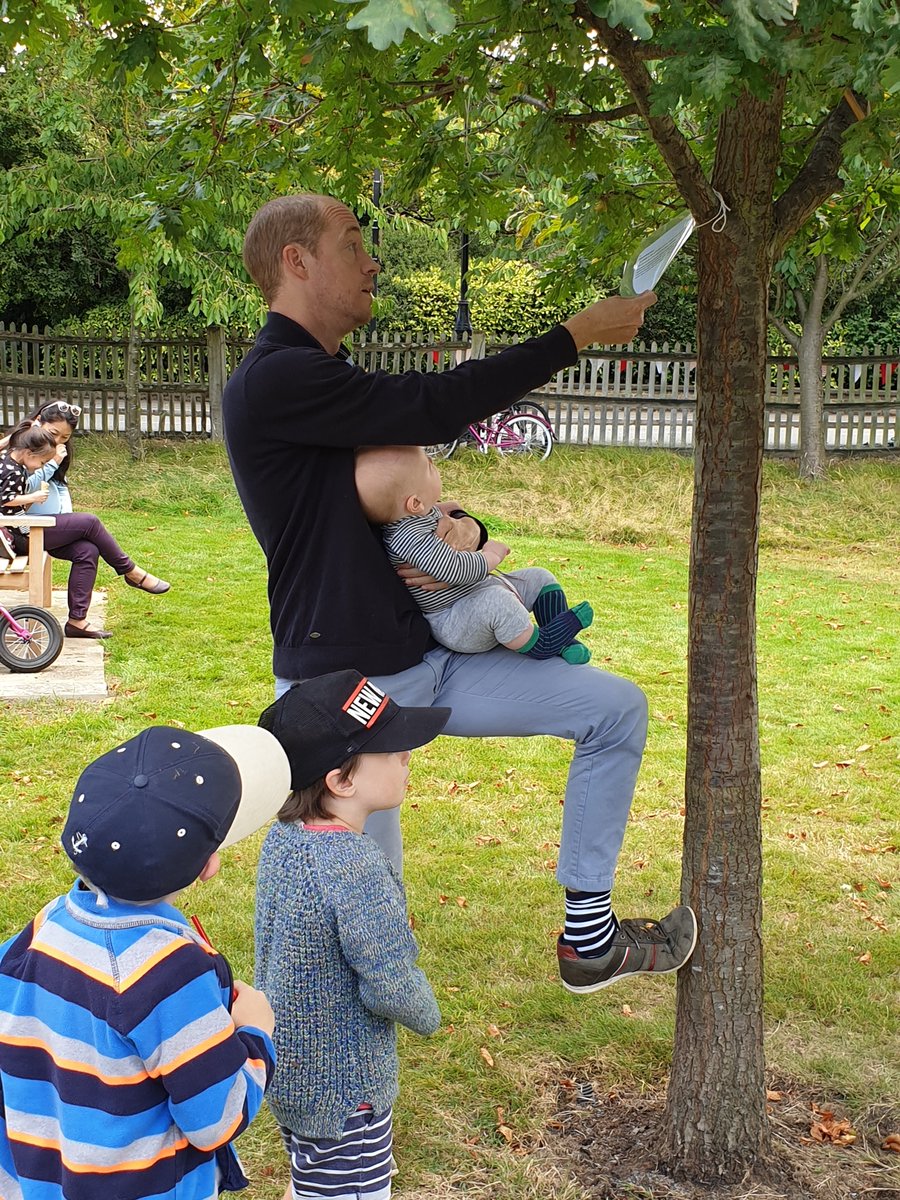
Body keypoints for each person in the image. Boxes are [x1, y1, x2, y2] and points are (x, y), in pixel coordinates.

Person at [224, 192, 697, 996]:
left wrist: (466, 531)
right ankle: (339, 1103)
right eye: (352, 242)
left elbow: (402, 496)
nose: (372, 260)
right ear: (296, 262)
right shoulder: (275, 380)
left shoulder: (323, 377)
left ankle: (589, 942)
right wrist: (573, 336)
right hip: (349, 691)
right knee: (364, 924)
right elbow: (432, 405)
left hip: (433, 658)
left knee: (614, 709)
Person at [0, 719, 293, 1199]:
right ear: (209, 864)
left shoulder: (42, 928)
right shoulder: (169, 973)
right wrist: (257, 1033)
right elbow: (216, 1118)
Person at [255, 670, 446, 1200]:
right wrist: (427, 1013)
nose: (408, 756)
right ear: (341, 780)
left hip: (291, 1066)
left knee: (313, 1182)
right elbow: (388, 980)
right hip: (347, 1089)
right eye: (392, 750)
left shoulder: (284, 838)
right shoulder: (357, 865)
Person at [356, 444, 594, 663]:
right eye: (429, 465)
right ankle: (544, 643)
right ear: (415, 503)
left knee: (539, 578)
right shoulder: (407, 537)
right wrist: (491, 556)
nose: (434, 464)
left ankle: (563, 643)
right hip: (456, 618)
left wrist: (458, 514)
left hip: (474, 595)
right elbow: (454, 570)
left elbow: (447, 509)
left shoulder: (417, 518)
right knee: (498, 603)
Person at [0, 410, 171, 639]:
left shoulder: (14, 459)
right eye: (40, 462)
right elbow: (4, 499)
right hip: (18, 534)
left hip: (21, 529)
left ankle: (77, 622)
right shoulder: (10, 468)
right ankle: (130, 571)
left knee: (86, 550)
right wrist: (31, 498)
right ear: (29, 452)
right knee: (89, 521)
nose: (39, 467)